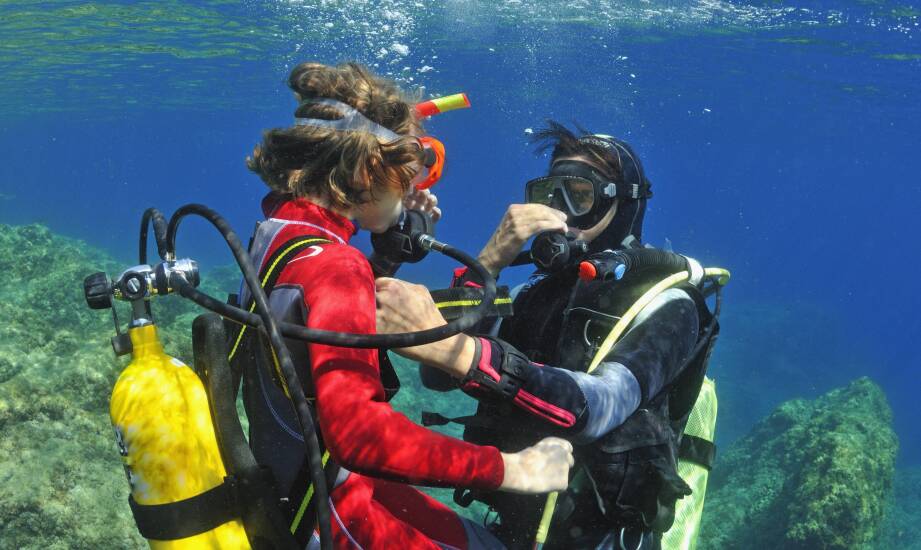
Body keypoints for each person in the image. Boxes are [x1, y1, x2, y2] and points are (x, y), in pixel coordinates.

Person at [240, 62, 574, 549]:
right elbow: (360, 434)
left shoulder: (278, 236)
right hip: (330, 514)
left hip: (298, 485)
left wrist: (384, 246)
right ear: (364, 171)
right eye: (411, 168)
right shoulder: (336, 266)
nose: (418, 187)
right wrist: (510, 470)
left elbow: (308, 322)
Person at [376, 122, 721, 549]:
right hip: (513, 530)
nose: (561, 214)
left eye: (580, 196)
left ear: (624, 205)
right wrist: (487, 263)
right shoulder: (536, 292)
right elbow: (437, 378)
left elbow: (596, 409)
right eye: (550, 195)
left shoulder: (669, 304)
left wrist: (458, 352)